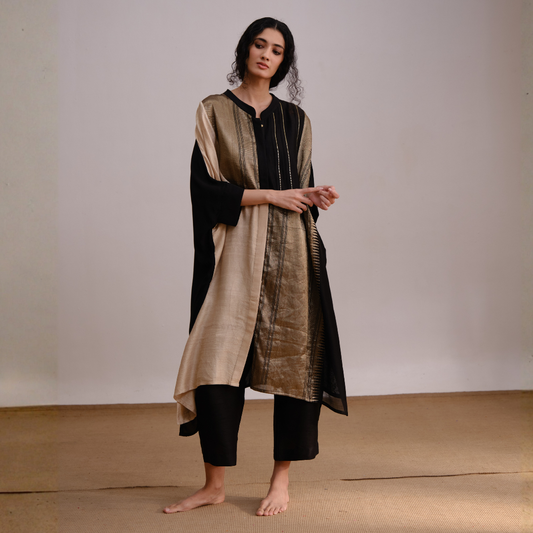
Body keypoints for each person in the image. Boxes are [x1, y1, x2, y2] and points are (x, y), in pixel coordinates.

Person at [164, 17, 347, 517]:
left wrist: (312, 195)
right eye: (259, 45)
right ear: (245, 50)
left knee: (295, 364)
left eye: (277, 50)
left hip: (291, 256)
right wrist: (271, 195)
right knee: (216, 363)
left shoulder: (296, 119)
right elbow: (205, 190)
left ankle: (280, 481)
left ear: (285, 61)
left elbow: (298, 190)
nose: (266, 54)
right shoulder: (214, 111)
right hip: (234, 254)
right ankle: (213, 485)